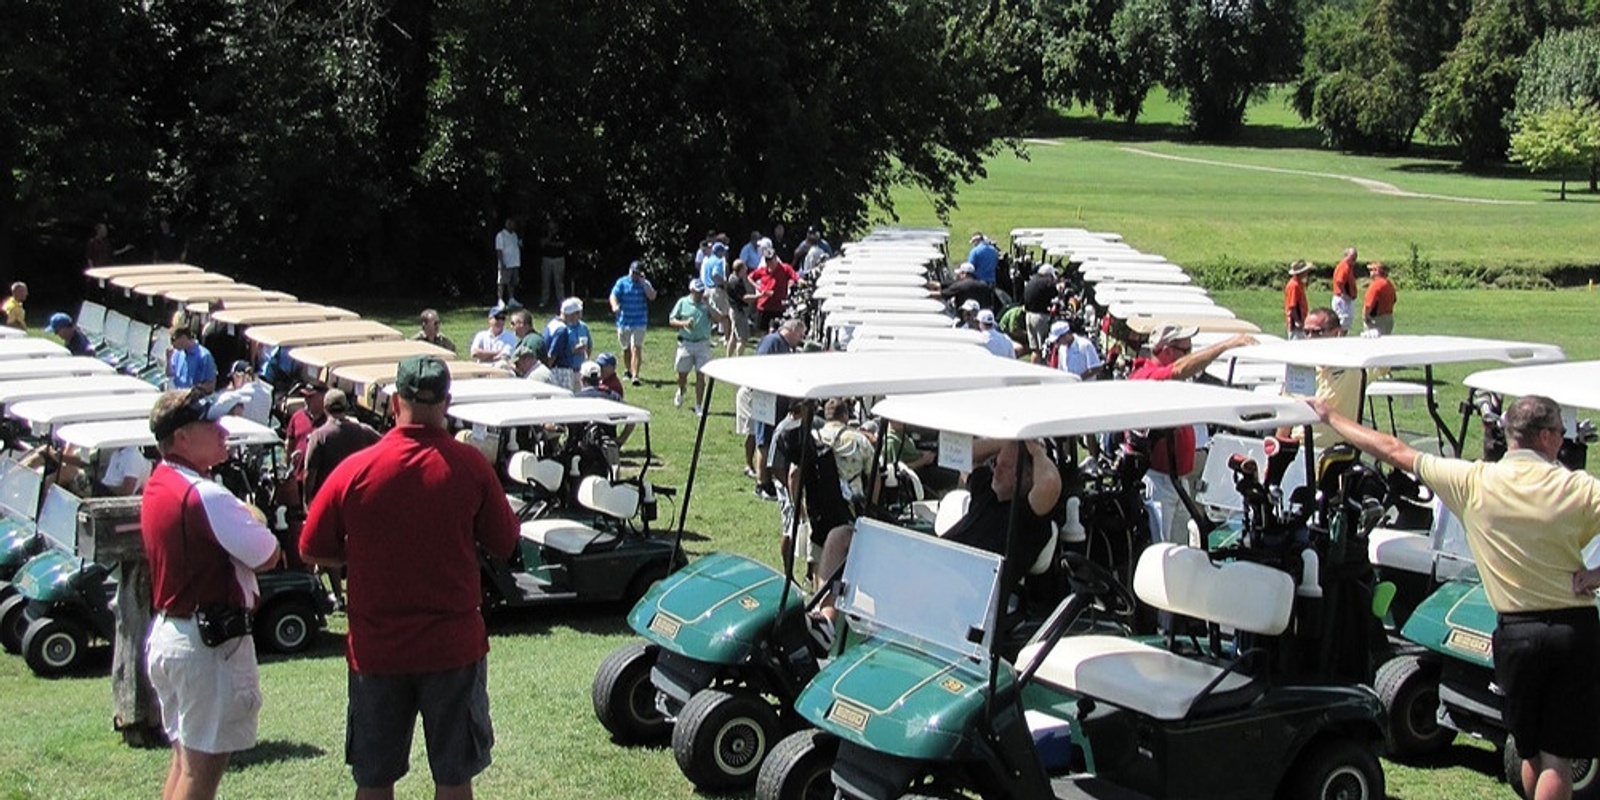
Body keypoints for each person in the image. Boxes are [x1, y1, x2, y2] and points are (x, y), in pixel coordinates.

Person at [1308, 394, 1600, 800]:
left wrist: (1331, 416)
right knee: (1557, 757)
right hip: (1572, 630)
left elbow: (1394, 450)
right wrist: (1595, 576)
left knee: (1529, 749)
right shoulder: (1577, 487)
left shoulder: (1472, 480)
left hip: (1515, 632)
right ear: (1548, 436)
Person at [301, 355, 519, 800]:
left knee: (374, 780)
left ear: (394, 400)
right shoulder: (470, 466)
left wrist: (359, 554)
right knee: (454, 779)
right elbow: (504, 542)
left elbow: (311, 546)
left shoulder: (356, 470)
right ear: (447, 402)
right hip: (451, 647)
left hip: (377, 650)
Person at [141, 389, 283, 800]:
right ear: (182, 437)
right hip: (208, 644)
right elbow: (268, 553)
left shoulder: (161, 483)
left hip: (174, 632)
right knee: (201, 772)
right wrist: (253, 513)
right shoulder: (205, 495)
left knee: (185, 764)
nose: (223, 432)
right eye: (211, 426)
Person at [1128, 322, 1257, 546]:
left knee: (1182, 549)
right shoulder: (1146, 376)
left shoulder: (1169, 381)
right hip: (1157, 480)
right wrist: (1228, 344)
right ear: (1166, 350)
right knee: (1161, 550)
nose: (1189, 356)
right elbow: (1178, 370)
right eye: (1185, 351)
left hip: (1178, 480)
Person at [942, 438, 1062, 600]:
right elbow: (965, 456)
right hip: (942, 568)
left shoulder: (1029, 516)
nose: (996, 471)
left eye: (1006, 467)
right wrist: (1006, 442)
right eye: (996, 463)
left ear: (1028, 477)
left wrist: (1036, 451)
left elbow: (1049, 483)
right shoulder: (988, 489)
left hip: (969, 591)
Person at [1273, 307, 1361, 447]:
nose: (1310, 338)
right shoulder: (1300, 368)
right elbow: (1286, 417)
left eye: (1318, 333)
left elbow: (1383, 361)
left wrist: (1375, 339)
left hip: (1336, 454)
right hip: (1300, 448)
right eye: (1306, 332)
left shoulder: (1354, 367)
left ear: (1337, 333)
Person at [751, 319, 807, 501]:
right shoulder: (772, 342)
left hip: (776, 400)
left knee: (770, 438)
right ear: (791, 329)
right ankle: (762, 483)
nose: (800, 338)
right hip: (766, 398)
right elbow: (759, 367)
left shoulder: (783, 345)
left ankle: (769, 478)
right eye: (800, 334)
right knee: (764, 440)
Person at [669, 279, 715, 415]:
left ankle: (699, 405)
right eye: (697, 292)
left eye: (701, 292)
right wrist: (684, 323)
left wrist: (709, 307)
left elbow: (718, 318)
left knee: (701, 376)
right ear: (692, 291)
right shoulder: (683, 302)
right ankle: (681, 389)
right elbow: (671, 320)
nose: (700, 295)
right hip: (686, 344)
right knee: (681, 374)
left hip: (703, 344)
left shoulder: (706, 305)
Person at [608, 260, 656, 385]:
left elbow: (652, 296)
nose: (634, 275)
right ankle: (628, 369)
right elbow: (613, 295)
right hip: (624, 321)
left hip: (639, 321)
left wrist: (644, 283)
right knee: (626, 348)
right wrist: (615, 306)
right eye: (633, 272)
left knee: (636, 347)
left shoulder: (644, 283)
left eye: (637, 273)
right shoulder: (622, 282)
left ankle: (635, 375)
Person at [749, 245, 798, 335]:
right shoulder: (762, 270)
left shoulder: (784, 268)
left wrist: (798, 281)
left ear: (775, 258)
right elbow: (750, 277)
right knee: (763, 332)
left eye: (771, 260)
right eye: (767, 260)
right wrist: (758, 287)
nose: (769, 263)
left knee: (775, 331)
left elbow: (795, 276)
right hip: (764, 305)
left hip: (778, 307)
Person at [545, 298, 591, 391]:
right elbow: (553, 354)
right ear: (571, 314)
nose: (579, 316)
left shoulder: (552, 324)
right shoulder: (561, 329)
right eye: (577, 313)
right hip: (560, 370)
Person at [219, 360, 273, 427]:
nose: (232, 383)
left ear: (238, 376)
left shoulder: (238, 395)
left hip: (244, 434)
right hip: (263, 434)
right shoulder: (267, 393)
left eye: (233, 379)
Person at [1021, 264, 1058, 361]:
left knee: (1035, 350)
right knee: (1044, 349)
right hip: (1040, 317)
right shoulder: (1047, 282)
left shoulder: (1031, 281)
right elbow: (1055, 295)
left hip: (1028, 315)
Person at [167, 327, 218, 394]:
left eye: (173, 340)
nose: (172, 344)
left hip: (194, 398)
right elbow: (170, 374)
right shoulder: (178, 352)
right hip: (177, 396)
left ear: (183, 337)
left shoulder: (204, 356)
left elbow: (211, 386)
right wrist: (168, 359)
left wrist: (193, 390)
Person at [934, 262, 999, 313]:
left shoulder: (960, 285)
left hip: (965, 318)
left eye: (959, 274)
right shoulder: (984, 286)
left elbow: (942, 294)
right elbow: (990, 305)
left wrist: (926, 292)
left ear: (964, 273)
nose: (957, 276)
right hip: (981, 317)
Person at [725, 259, 756, 357]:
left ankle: (728, 357)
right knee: (743, 339)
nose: (746, 269)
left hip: (733, 310)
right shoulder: (736, 281)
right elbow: (745, 298)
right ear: (741, 269)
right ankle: (739, 359)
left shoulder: (732, 277)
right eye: (744, 267)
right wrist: (760, 296)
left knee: (733, 337)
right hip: (738, 312)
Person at [700, 241, 731, 334]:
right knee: (724, 315)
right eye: (723, 251)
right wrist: (725, 282)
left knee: (709, 314)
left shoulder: (707, 260)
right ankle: (726, 338)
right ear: (719, 252)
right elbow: (715, 274)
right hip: (716, 290)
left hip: (707, 289)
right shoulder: (719, 261)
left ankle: (706, 335)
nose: (724, 253)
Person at [537, 220, 566, 309]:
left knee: (559, 281)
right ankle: (544, 300)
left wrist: (549, 244)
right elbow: (542, 243)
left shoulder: (561, 233)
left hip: (558, 259)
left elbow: (562, 244)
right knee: (546, 280)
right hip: (547, 259)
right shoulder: (545, 233)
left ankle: (561, 301)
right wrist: (549, 237)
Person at [1364, 261, 1396, 336]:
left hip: (1376, 320)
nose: (1370, 272)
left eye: (1372, 270)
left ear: (1377, 271)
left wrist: (1366, 317)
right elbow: (1394, 300)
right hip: (1388, 318)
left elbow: (1368, 306)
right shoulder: (1389, 284)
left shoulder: (1375, 285)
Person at [494, 218, 521, 306]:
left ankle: (511, 299)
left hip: (514, 262)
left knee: (512, 282)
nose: (513, 225)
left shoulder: (514, 235)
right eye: (510, 223)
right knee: (502, 282)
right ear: (507, 224)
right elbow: (499, 250)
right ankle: (500, 300)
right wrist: (502, 263)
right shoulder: (500, 235)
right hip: (505, 263)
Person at [1331, 247, 1358, 332]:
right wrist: (1345, 294)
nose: (1354, 259)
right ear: (1346, 256)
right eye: (1352, 257)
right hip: (1343, 300)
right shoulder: (1344, 267)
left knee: (1346, 323)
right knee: (1343, 323)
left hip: (1345, 299)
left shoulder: (1348, 267)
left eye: (1355, 257)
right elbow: (1340, 282)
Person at [1285, 260, 1312, 338]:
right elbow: (1292, 307)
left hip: (1301, 320)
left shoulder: (1299, 284)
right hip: (1296, 325)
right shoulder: (1294, 286)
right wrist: (1298, 322)